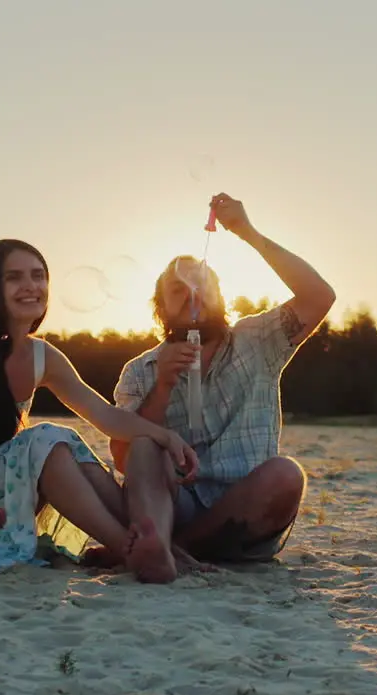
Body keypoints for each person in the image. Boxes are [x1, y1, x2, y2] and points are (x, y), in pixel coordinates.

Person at [0, 238, 198, 579]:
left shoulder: (43, 356)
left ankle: (157, 545)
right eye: (14, 277)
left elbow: (105, 415)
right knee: (45, 439)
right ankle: (128, 549)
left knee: (67, 440)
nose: (30, 286)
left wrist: (165, 437)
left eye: (38, 276)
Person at [110, 193, 336, 582]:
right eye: (178, 290)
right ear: (160, 308)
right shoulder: (140, 370)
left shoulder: (258, 340)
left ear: (220, 295)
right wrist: (163, 386)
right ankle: (161, 543)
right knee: (145, 441)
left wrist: (248, 232)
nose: (192, 294)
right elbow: (124, 458)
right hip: (171, 506)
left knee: (285, 475)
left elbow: (320, 296)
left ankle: (167, 548)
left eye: (201, 284)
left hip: (246, 517)